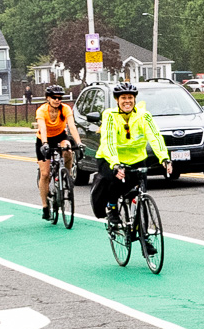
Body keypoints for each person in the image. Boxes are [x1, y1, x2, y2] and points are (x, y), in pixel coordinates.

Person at [91, 83, 173, 249]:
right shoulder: (110, 116)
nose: (127, 101)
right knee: (114, 179)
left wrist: (164, 158)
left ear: (134, 99)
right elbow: (108, 141)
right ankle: (112, 208)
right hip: (110, 158)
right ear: (117, 100)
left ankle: (143, 235)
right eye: (123, 98)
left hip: (136, 159)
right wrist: (115, 163)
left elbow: (155, 136)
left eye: (130, 98)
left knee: (141, 196)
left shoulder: (144, 115)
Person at [33, 84, 82, 217]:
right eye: (54, 97)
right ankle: (45, 206)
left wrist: (79, 143)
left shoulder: (65, 109)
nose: (57, 100)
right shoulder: (42, 110)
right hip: (44, 139)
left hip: (60, 136)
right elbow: (42, 128)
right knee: (45, 174)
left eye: (59, 97)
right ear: (48, 98)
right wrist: (44, 143)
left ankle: (67, 174)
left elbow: (71, 126)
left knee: (68, 149)